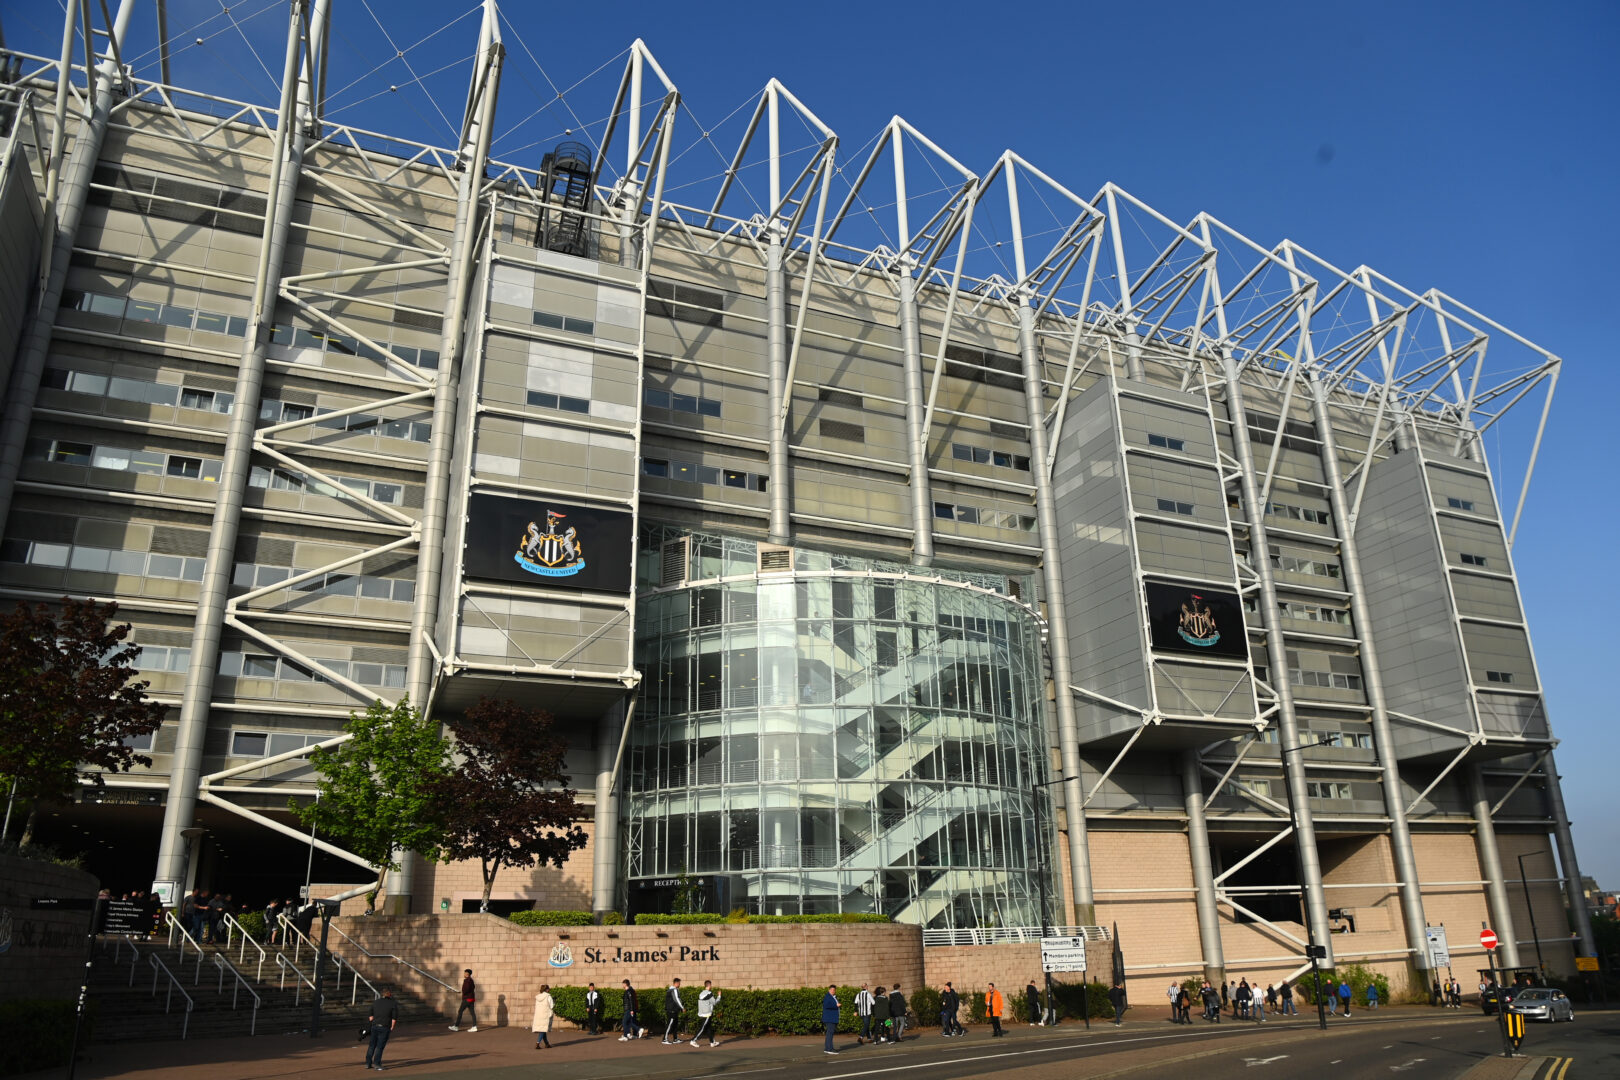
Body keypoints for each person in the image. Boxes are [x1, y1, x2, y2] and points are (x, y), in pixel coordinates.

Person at [365, 988, 399, 1071]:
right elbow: (394, 1018)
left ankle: (368, 1063)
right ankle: (377, 1063)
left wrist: (372, 1022)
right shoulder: (392, 1003)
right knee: (380, 1046)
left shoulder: (376, 1002)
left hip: (374, 1026)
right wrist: (392, 1027)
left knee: (372, 1045)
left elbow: (370, 1014)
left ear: (382, 994)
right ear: (389, 994)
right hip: (384, 1027)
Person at [691, 980, 721, 1047]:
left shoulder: (701, 993)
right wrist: (719, 996)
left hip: (702, 1013)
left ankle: (712, 1042)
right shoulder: (709, 994)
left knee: (708, 1028)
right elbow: (715, 1003)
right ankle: (693, 1040)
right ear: (709, 985)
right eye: (711, 985)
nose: (711, 986)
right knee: (702, 1028)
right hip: (707, 1014)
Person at [663, 977, 685, 1043]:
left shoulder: (671, 990)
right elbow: (677, 1000)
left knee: (675, 1025)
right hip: (671, 1010)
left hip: (674, 1010)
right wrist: (682, 1007)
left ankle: (675, 1039)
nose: (680, 985)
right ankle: (664, 1039)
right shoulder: (673, 990)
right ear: (676, 983)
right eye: (679, 983)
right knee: (669, 1024)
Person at [532, 984, 555, 1048]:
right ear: (547, 989)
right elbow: (552, 1006)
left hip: (538, 1015)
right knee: (543, 1029)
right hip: (545, 1015)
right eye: (548, 989)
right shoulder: (548, 996)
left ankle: (547, 1044)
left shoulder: (538, 997)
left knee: (543, 1029)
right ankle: (538, 1043)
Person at [822, 984, 841, 1054]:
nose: (833, 991)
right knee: (830, 1033)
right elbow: (826, 1005)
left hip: (832, 1018)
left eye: (834, 990)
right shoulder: (827, 997)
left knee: (829, 1033)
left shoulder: (832, 997)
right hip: (830, 1018)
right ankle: (829, 1049)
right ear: (829, 990)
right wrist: (836, 1005)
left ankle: (828, 1048)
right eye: (832, 990)